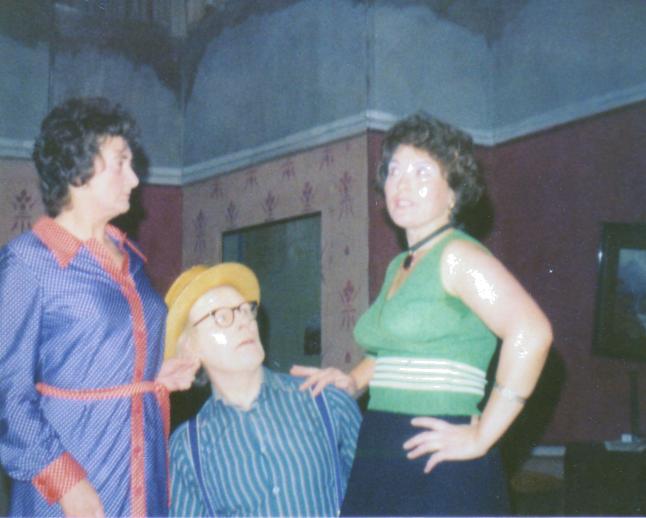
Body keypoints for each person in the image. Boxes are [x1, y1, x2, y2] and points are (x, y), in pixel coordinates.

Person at [292, 112, 553, 516]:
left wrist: (483, 435)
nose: (402, 184)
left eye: (421, 172)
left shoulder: (457, 255)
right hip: (383, 442)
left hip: (438, 450)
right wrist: (353, 380)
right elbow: (392, 351)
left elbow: (532, 332)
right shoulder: (401, 265)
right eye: (394, 170)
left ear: (453, 193)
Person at [0, 97, 198, 517]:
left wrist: (152, 375)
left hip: (140, 474)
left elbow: (94, 356)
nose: (135, 178)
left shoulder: (132, 260)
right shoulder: (28, 263)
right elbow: (7, 395)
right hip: (72, 484)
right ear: (79, 168)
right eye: (121, 162)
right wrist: (65, 481)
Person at [165, 262, 362, 517]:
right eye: (223, 317)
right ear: (190, 349)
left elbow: (380, 497)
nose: (244, 323)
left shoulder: (325, 400)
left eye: (246, 311)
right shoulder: (187, 449)